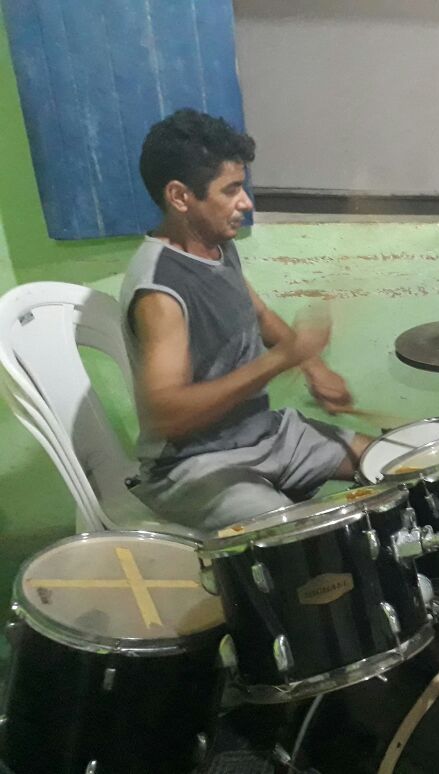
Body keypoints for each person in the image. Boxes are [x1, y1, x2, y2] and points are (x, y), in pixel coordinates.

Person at [120, 109, 371, 533]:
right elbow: (167, 415)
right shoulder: (160, 291)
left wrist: (313, 367)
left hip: (267, 434)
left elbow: (260, 315)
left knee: (394, 462)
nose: (246, 203)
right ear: (180, 197)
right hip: (195, 465)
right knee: (301, 539)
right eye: (231, 190)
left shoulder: (215, 244)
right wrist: (283, 359)